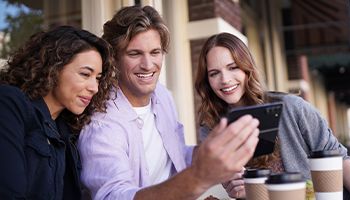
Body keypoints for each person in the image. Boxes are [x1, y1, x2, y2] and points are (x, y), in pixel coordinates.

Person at [78, 5, 259, 200]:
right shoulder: (101, 123)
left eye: (155, 52)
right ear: (114, 58)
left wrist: (213, 156)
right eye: (134, 54)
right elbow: (114, 196)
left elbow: (176, 155)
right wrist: (199, 177)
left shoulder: (162, 96)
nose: (148, 65)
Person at [194, 32, 350, 200]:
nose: (225, 80)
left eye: (233, 67)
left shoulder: (292, 107)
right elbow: (234, 185)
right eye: (214, 73)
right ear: (207, 80)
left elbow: (335, 155)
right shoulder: (211, 127)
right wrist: (241, 190)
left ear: (246, 68)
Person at [0, 26, 117, 199]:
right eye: (85, 74)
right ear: (53, 69)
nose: (94, 88)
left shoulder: (68, 133)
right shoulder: (11, 103)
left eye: (98, 78)